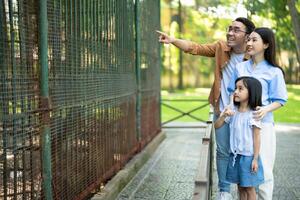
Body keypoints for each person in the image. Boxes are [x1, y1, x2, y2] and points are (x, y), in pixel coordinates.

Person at [157, 17, 255, 199]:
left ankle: (247, 189)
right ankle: (224, 191)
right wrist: (173, 40)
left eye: (236, 30)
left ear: (247, 35)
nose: (230, 33)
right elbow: (195, 48)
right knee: (223, 151)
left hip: (245, 113)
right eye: (229, 28)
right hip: (223, 112)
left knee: (245, 152)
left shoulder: (253, 55)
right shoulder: (221, 48)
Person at [228, 27, 288, 200]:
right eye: (249, 39)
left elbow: (280, 100)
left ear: (266, 44)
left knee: (265, 171)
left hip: (263, 126)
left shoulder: (274, 72)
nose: (249, 43)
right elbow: (233, 92)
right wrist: (230, 110)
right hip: (240, 127)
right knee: (242, 173)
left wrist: (265, 109)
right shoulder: (240, 68)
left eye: (254, 40)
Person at [215, 76, 264, 200]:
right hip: (235, 156)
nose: (235, 91)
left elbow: (257, 137)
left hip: (248, 157)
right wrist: (223, 115)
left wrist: (255, 159)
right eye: (236, 88)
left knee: (249, 188)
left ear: (251, 92)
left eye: (240, 89)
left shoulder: (254, 114)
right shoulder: (232, 111)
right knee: (240, 187)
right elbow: (217, 126)